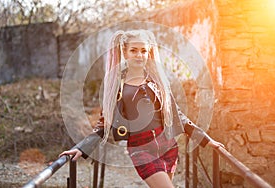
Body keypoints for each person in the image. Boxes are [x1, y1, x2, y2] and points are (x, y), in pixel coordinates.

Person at [60, 29, 224, 188]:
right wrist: (80, 148)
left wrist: (207, 140)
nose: (139, 55)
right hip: (141, 150)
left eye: (143, 51)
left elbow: (178, 116)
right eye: (134, 50)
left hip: (168, 146)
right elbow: (104, 124)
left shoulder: (157, 81)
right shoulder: (117, 86)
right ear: (125, 52)